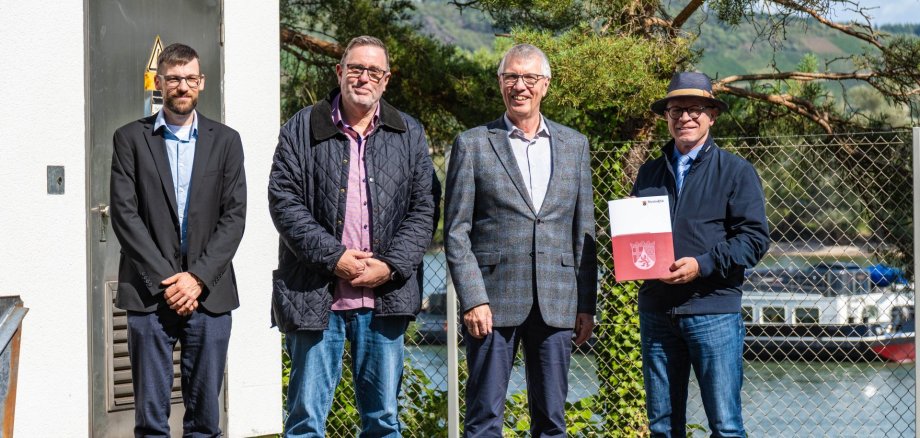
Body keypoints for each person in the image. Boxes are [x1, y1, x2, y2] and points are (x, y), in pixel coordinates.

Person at [268, 35, 435, 437]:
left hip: (384, 297)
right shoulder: (300, 128)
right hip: (313, 295)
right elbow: (284, 202)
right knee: (305, 423)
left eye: (374, 71)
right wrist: (334, 258)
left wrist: (390, 266)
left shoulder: (408, 132)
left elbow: (425, 208)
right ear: (339, 71)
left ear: (386, 80)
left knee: (383, 421)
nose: (364, 78)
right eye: (356, 68)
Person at [444, 43, 598, 437]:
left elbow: (584, 231)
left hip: (557, 302)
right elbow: (456, 231)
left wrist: (586, 304)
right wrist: (473, 298)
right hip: (491, 303)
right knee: (483, 419)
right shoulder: (473, 144)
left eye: (529, 77)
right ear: (500, 83)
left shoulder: (575, 145)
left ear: (545, 84)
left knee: (552, 422)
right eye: (511, 76)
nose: (520, 86)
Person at [110, 43, 247, 437]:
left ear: (201, 82)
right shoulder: (130, 139)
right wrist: (169, 282)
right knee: (151, 423)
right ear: (159, 83)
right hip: (149, 295)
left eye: (190, 78)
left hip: (210, 294)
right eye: (173, 79)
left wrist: (197, 278)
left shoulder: (226, 141)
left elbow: (234, 217)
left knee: (205, 421)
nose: (182, 86)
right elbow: (124, 215)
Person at [630, 72, 770, 437]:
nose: (685, 117)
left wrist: (702, 265)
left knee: (725, 426)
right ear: (667, 117)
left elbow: (754, 240)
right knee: (663, 427)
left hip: (713, 312)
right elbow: (637, 239)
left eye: (694, 109)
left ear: (712, 115)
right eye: (676, 110)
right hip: (658, 313)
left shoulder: (736, 172)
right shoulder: (649, 172)